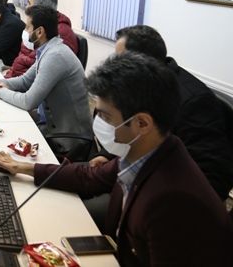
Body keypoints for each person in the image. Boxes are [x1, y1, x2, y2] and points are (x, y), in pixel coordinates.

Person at [0, 52, 233, 266]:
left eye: (105, 116)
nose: (99, 123)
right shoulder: (144, 152)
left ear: (142, 123)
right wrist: (22, 167)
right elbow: (89, 177)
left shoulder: (173, 201)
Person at [89, 25, 233, 200]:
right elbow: (128, 130)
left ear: (142, 62)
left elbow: (214, 178)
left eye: (120, 61)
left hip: (168, 198)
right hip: (133, 175)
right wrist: (107, 154)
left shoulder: (194, 103)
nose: (114, 67)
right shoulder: (138, 85)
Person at [0, 4, 92, 151]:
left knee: (3, 139)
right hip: (49, 122)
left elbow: (28, 101)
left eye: (28, 27)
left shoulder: (55, 56)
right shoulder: (48, 50)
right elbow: (24, 81)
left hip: (66, 140)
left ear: (40, 31)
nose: (25, 32)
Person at [5, 0, 78, 78]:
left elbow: (46, 72)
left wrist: (9, 83)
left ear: (40, 7)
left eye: (29, 3)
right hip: (19, 78)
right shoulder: (36, 24)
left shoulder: (60, 34)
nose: (26, 7)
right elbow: (20, 58)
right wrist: (7, 78)